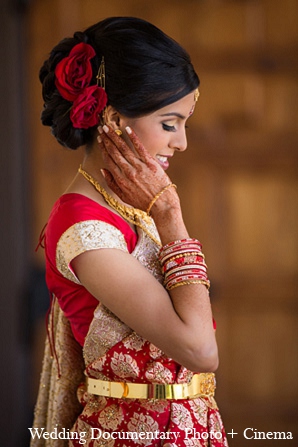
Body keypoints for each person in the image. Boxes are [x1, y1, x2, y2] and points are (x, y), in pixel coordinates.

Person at [31, 16, 229, 447]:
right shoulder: (82, 226)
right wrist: (171, 216)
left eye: (185, 125)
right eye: (170, 123)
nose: (182, 143)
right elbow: (200, 350)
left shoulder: (128, 207)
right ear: (116, 120)